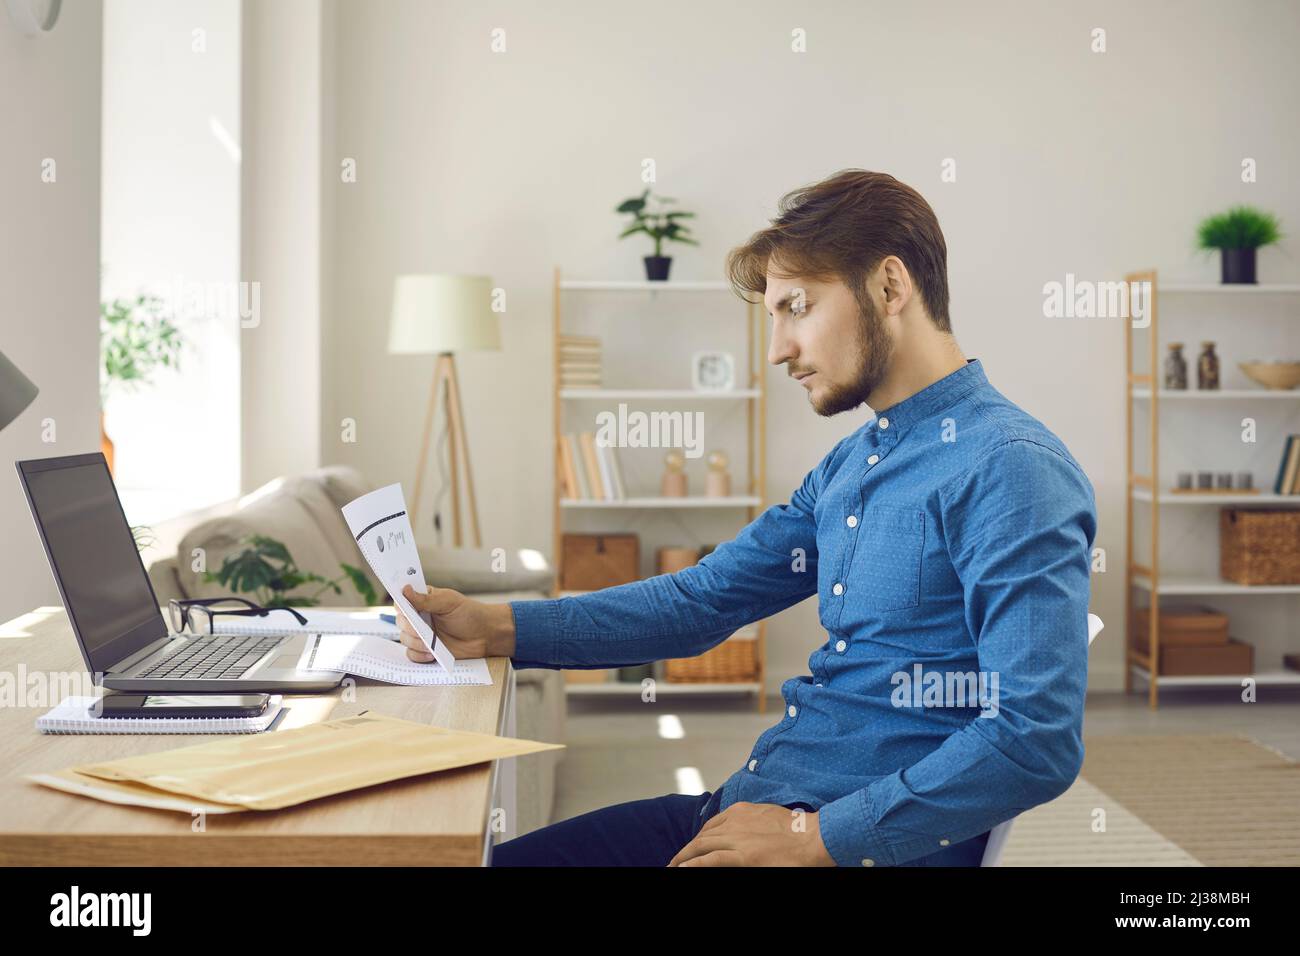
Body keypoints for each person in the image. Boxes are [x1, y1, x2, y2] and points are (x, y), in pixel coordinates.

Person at [397, 169, 1097, 867]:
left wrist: (817, 839)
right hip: (748, 810)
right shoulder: (852, 463)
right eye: (773, 317)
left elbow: (1033, 738)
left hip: (838, 845)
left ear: (889, 286)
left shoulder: (1011, 467)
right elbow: (702, 600)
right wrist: (499, 627)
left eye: (797, 307)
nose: (776, 349)